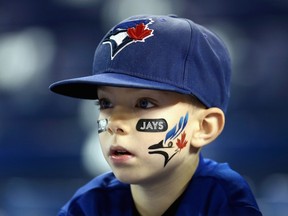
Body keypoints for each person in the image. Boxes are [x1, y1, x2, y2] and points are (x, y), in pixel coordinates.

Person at [50, 14, 262, 216]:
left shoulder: (226, 200)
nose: (115, 123)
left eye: (144, 103)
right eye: (106, 103)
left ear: (205, 127)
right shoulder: (89, 205)